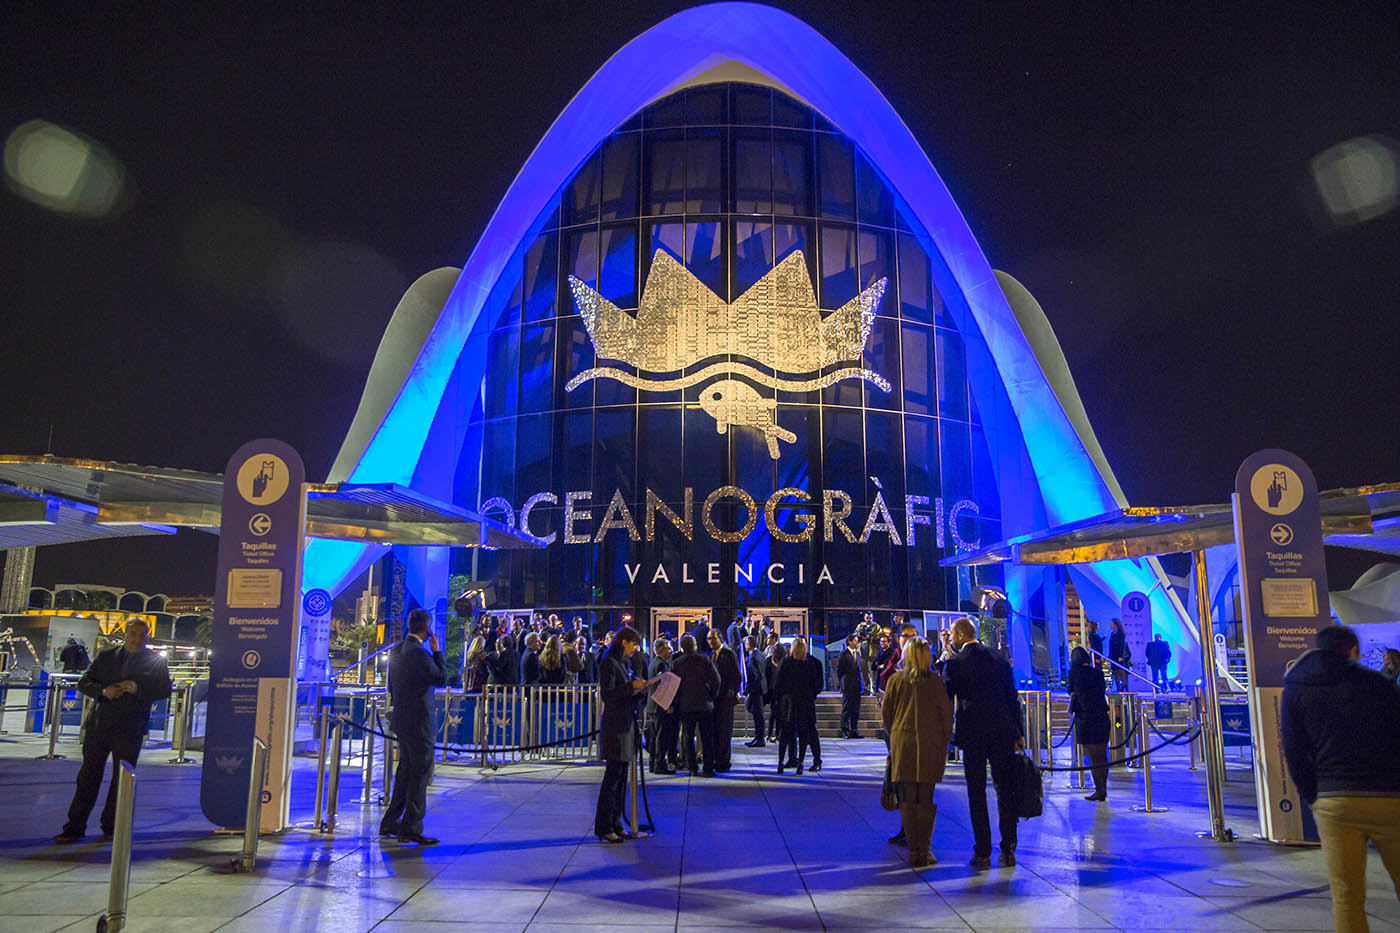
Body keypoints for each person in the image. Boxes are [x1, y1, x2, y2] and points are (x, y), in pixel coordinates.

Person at [1281, 625, 1400, 931]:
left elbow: (1293, 750)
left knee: (1347, 897)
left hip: (1335, 799)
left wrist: (1314, 796)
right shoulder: (1376, 684)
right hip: (1389, 796)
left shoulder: (1297, 687)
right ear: (1353, 652)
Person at [54, 619, 171, 843]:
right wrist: (103, 692)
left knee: (122, 780)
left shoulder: (154, 661)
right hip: (100, 725)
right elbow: (84, 682)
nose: (137, 639)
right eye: (133, 634)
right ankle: (75, 826)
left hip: (130, 727)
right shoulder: (106, 657)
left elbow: (164, 689)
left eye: (142, 635)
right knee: (88, 776)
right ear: (125, 635)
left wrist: (138, 689)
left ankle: (112, 826)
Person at [943, 617, 1023, 870]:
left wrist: (946, 655)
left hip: (973, 734)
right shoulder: (999, 659)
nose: (952, 640)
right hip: (1002, 731)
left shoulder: (956, 663)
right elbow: (1013, 697)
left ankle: (983, 850)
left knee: (976, 791)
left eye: (954, 636)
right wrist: (1018, 732)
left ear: (962, 635)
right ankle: (1008, 848)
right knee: (1005, 789)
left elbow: (947, 692)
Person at [881, 636, 954, 868]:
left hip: (904, 744)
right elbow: (946, 716)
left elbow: (887, 715)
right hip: (930, 745)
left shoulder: (895, 681)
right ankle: (925, 849)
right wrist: (945, 741)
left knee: (908, 799)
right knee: (926, 798)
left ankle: (914, 850)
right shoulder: (935, 682)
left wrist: (894, 736)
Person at [377, 609, 448, 845]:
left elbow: (390, 686)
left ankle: (390, 822)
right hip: (419, 723)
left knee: (405, 773)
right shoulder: (421, 654)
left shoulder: (397, 651)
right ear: (426, 629)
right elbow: (440, 678)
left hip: (402, 721)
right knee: (419, 774)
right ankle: (411, 826)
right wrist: (438, 653)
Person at [595, 626, 648, 843]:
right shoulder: (609, 662)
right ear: (623, 642)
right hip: (615, 725)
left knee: (622, 777)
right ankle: (605, 825)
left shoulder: (624, 663)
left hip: (626, 722)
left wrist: (638, 690)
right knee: (613, 778)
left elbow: (624, 691)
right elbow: (608, 694)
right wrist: (630, 688)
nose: (635, 649)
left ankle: (616, 823)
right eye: (634, 644)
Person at [671, 634, 719, 776]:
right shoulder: (705, 660)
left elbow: (672, 685)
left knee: (687, 736)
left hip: (686, 706)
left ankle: (692, 767)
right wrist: (711, 696)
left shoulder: (676, 663)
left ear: (682, 647)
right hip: (704, 704)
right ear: (695, 645)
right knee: (706, 737)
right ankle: (708, 768)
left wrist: (677, 701)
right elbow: (716, 680)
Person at [1068, 646, 1110, 801]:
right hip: (1101, 716)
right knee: (1102, 755)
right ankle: (1102, 788)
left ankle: (1099, 789)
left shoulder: (1075, 673)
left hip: (1086, 718)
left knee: (1093, 757)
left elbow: (1070, 690)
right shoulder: (1097, 673)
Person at [774, 637, 822, 774]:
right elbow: (816, 685)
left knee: (789, 732)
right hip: (806, 703)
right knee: (806, 733)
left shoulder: (787, 662)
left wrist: (778, 700)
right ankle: (800, 760)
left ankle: (787, 761)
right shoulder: (811, 663)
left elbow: (779, 684)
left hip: (790, 703)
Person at [708, 629, 742, 772]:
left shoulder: (728, 654)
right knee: (715, 731)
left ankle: (724, 761)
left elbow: (736, 676)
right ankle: (717, 759)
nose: (710, 641)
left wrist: (731, 694)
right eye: (708, 639)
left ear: (720, 638)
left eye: (712, 638)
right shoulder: (711, 656)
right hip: (714, 700)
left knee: (724, 732)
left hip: (725, 700)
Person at [645, 638, 678, 774]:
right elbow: (663, 686)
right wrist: (667, 705)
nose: (671, 650)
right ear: (663, 650)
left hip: (652, 705)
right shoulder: (662, 665)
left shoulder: (653, 663)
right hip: (660, 706)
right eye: (669, 648)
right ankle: (660, 764)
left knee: (654, 736)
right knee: (661, 737)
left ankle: (653, 763)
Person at [742, 635, 768, 747]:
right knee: (757, 713)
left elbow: (755, 675)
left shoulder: (753, 657)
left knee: (757, 714)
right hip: (760, 688)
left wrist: (748, 689)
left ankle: (759, 738)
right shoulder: (760, 654)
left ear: (749, 644)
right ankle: (758, 737)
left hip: (755, 689)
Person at [837, 633, 864, 738]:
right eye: (855, 640)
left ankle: (854, 730)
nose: (856, 642)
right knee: (847, 707)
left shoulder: (857, 653)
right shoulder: (844, 654)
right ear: (849, 641)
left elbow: (858, 669)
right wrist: (842, 682)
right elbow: (840, 670)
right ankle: (845, 730)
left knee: (855, 708)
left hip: (856, 685)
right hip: (847, 684)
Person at [766, 640, 786, 743]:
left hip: (773, 690)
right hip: (780, 691)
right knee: (778, 713)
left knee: (773, 713)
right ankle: (777, 734)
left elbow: (767, 676)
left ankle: (770, 734)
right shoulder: (785, 661)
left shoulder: (770, 661)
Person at [1107, 619, 1131, 692]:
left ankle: (1124, 686)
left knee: (1121, 670)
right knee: (1115, 672)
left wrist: (1121, 656)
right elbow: (1110, 645)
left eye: (1112, 623)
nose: (1111, 625)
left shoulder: (1121, 634)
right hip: (1113, 655)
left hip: (1119, 655)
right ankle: (1118, 688)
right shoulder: (1112, 634)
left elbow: (1122, 645)